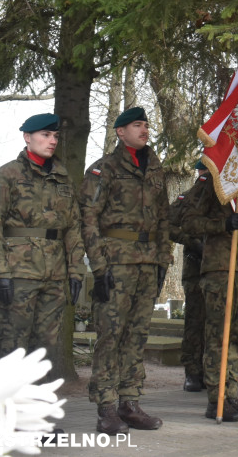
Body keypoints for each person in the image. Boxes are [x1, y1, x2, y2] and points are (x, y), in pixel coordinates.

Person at [79, 106, 173, 434]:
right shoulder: (103, 169)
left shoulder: (156, 168)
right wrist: (99, 266)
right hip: (115, 262)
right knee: (111, 334)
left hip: (148, 262)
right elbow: (88, 218)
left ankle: (129, 402)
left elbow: (164, 218)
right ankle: (106, 406)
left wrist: (163, 261)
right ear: (120, 132)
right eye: (137, 125)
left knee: (137, 334)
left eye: (146, 124)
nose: (144, 129)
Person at [0, 113, 85, 361]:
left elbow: (73, 226)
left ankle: (38, 399)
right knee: (12, 347)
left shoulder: (63, 178)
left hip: (54, 275)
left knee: (44, 351)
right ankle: (7, 400)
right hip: (17, 273)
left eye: (55, 136)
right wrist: (0, 273)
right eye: (46, 135)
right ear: (27, 137)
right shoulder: (6, 175)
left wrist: (75, 270)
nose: (52, 141)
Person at [179, 163, 238, 422]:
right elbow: (188, 221)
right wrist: (223, 224)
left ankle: (230, 394)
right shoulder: (213, 183)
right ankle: (216, 399)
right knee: (220, 336)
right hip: (220, 269)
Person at [167, 161, 208, 393]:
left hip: (219, 269)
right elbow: (168, 226)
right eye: (202, 172)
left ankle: (213, 371)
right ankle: (193, 372)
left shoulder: (225, 201)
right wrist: (191, 241)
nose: (205, 176)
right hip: (195, 269)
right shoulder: (186, 199)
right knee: (195, 322)